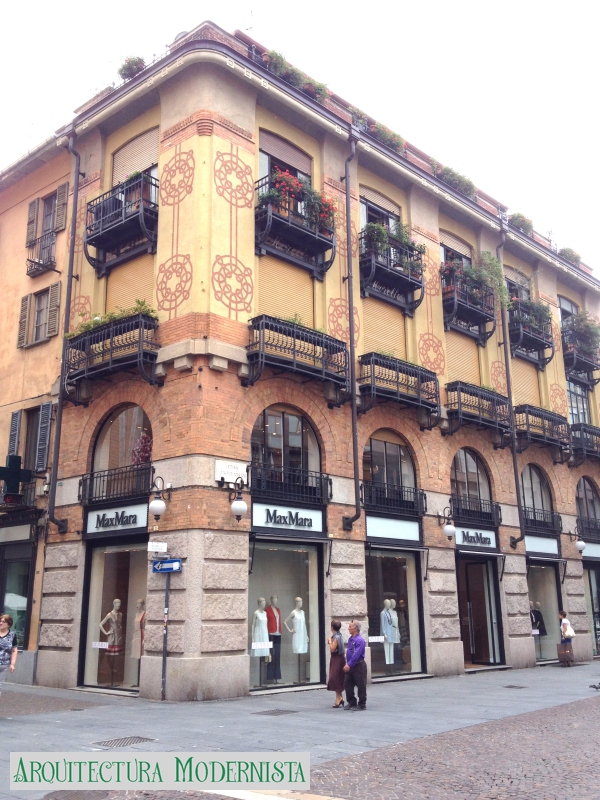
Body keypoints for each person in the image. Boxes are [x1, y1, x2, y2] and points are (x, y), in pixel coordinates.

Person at [343, 619, 367, 710]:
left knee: (361, 685)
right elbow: (350, 651)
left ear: (355, 628)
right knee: (347, 684)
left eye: (350, 627)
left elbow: (356, 654)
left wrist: (349, 664)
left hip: (359, 666)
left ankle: (362, 704)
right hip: (351, 666)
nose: (348, 628)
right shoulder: (351, 639)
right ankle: (352, 702)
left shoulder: (360, 640)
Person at [327, 620, 345, 708]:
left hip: (336, 659)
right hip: (340, 658)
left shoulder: (336, 637)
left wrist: (330, 641)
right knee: (338, 678)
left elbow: (332, 649)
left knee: (334, 678)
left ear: (332, 628)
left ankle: (339, 698)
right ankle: (339, 698)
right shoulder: (340, 635)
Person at [0, 614, 18, 697]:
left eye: (3, 622)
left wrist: (12, 664)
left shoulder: (12, 635)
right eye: (0, 621)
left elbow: (14, 650)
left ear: (9, 624)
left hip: (4, 665)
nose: (1, 623)